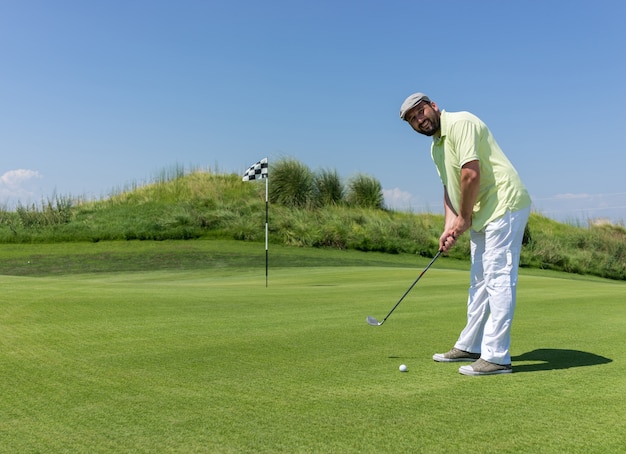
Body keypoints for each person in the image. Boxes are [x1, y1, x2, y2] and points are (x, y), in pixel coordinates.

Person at [399, 93, 531, 376]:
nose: (418, 120)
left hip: (504, 204)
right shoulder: (436, 147)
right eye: (412, 119)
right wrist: (449, 227)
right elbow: (450, 188)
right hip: (481, 211)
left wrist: (464, 218)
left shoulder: (461, 122)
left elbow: (470, 174)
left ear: (433, 106)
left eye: (420, 112)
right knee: (478, 280)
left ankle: (497, 357)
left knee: (498, 277)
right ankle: (470, 345)